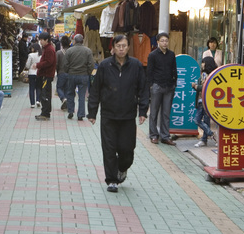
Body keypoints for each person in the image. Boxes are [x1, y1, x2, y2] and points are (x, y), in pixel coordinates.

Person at [88, 34, 148, 193]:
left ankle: (122, 168)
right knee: (108, 148)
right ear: (113, 48)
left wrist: (142, 111)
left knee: (127, 149)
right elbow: (96, 90)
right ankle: (112, 180)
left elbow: (143, 89)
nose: (121, 49)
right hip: (108, 115)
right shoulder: (104, 66)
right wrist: (92, 112)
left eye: (124, 46)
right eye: (118, 46)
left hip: (128, 116)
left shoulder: (135, 65)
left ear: (128, 47)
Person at [146, 32, 177, 145]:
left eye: (166, 41)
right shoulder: (153, 55)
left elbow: (174, 69)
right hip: (157, 86)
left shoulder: (171, 54)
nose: (165, 43)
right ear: (158, 42)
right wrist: (151, 85)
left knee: (166, 113)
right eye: (162, 41)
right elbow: (149, 71)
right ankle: (154, 135)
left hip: (169, 86)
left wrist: (174, 83)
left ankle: (165, 136)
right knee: (154, 112)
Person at [64, 34, 94, 121]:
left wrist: (68, 72)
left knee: (70, 93)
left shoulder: (69, 51)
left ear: (75, 41)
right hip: (83, 75)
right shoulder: (88, 51)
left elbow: (65, 64)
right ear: (82, 41)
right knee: (82, 95)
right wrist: (88, 72)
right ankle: (80, 114)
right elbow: (91, 64)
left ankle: (70, 111)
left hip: (72, 75)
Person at [192, 56, 218, 147]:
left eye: (203, 62)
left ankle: (210, 135)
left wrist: (196, 87)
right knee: (204, 120)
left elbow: (205, 87)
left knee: (197, 120)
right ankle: (205, 139)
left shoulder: (209, 74)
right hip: (203, 100)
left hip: (205, 100)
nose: (202, 64)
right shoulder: (207, 74)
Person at [35, 31, 56, 121]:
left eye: (42, 40)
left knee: (45, 94)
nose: (40, 41)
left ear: (46, 40)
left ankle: (45, 113)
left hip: (46, 75)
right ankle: (45, 112)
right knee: (45, 94)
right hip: (45, 75)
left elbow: (49, 62)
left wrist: (38, 65)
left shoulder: (49, 49)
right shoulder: (47, 48)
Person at [56, 35, 71, 111]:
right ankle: (66, 104)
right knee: (67, 89)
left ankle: (63, 99)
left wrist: (57, 71)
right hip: (70, 73)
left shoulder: (59, 53)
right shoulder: (72, 52)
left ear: (61, 43)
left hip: (61, 73)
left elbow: (56, 64)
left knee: (59, 88)